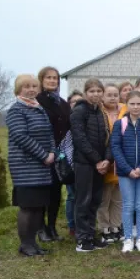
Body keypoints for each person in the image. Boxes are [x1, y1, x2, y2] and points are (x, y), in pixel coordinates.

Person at [7, 74, 57, 257]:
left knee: (38, 206)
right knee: (28, 207)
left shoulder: (39, 108)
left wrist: (52, 152)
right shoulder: (16, 110)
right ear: (19, 89)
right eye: (26, 86)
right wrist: (43, 155)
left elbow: (49, 132)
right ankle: (25, 244)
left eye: (34, 86)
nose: (31, 90)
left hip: (43, 165)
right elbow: (21, 137)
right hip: (26, 166)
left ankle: (34, 243)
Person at [110, 91, 140, 253]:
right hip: (126, 173)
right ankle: (128, 238)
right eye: (132, 103)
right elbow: (116, 148)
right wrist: (128, 169)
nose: (136, 107)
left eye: (139, 103)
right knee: (128, 205)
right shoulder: (120, 124)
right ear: (127, 104)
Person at [70, 78, 110, 252]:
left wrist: (106, 159)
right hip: (85, 163)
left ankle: (91, 235)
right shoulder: (79, 111)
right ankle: (82, 239)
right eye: (92, 91)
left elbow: (107, 138)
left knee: (95, 201)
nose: (95, 94)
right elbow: (80, 139)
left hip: (100, 165)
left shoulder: (100, 112)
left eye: (98, 91)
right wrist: (96, 160)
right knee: (83, 201)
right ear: (86, 93)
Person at [35, 66, 72, 243]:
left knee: (56, 193)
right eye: (48, 78)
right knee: (43, 192)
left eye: (55, 78)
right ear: (41, 80)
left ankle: (52, 226)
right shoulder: (37, 101)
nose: (52, 81)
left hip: (60, 155)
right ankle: (40, 227)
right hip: (42, 155)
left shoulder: (63, 103)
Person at [97, 85, 124, 243]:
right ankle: (104, 227)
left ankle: (116, 225)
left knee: (118, 197)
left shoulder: (124, 112)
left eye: (115, 94)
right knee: (104, 198)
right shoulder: (99, 113)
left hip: (121, 160)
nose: (113, 98)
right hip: (105, 158)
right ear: (103, 97)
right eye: (109, 95)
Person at [64, 91, 84, 238]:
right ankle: (73, 226)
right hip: (71, 164)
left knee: (83, 196)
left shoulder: (85, 118)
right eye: (73, 102)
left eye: (79, 101)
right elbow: (66, 145)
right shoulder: (66, 121)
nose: (76, 104)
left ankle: (82, 225)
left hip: (85, 163)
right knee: (72, 196)